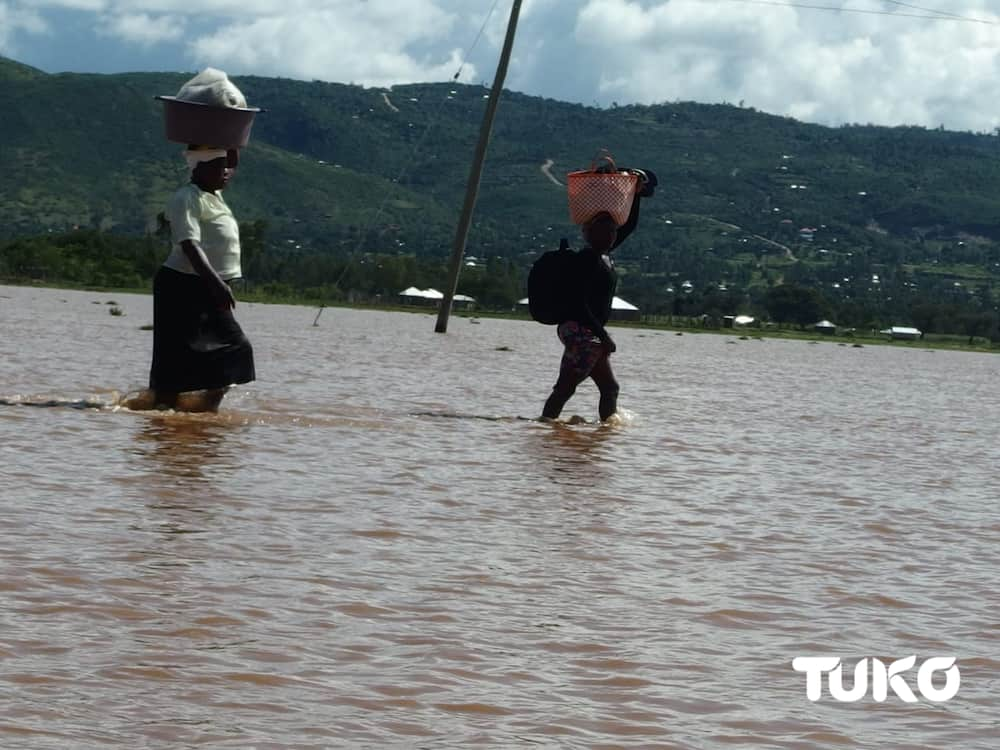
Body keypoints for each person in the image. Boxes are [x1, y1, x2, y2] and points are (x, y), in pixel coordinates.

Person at [125, 146, 255, 412]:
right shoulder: (186, 198)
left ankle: (203, 407)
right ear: (200, 168)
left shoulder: (213, 195)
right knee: (174, 358)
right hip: (182, 285)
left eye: (227, 167)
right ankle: (166, 413)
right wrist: (216, 283)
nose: (227, 172)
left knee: (236, 348)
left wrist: (233, 137)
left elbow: (232, 162)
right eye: (220, 167)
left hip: (208, 286)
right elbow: (189, 245)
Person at [541, 172, 652, 422]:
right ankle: (545, 429)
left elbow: (630, 225)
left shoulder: (605, 254)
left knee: (610, 389)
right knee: (565, 388)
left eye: (612, 232)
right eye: (602, 232)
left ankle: (603, 436)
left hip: (589, 334)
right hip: (582, 332)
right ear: (588, 233)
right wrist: (603, 337)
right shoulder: (587, 259)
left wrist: (636, 196)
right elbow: (577, 303)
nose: (609, 237)